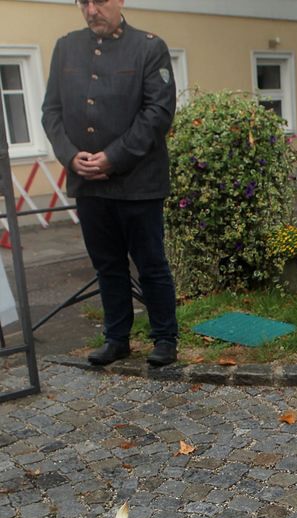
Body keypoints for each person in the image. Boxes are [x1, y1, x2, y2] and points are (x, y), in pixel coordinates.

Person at [42, 0, 178, 367]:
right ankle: (117, 339)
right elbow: (51, 111)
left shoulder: (149, 47)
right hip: (88, 182)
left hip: (139, 182)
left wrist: (113, 158)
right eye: (83, 2)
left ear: (119, 1)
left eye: (99, 1)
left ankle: (165, 338)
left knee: (151, 265)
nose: (91, 10)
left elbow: (158, 112)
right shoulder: (66, 47)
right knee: (107, 266)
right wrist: (70, 155)